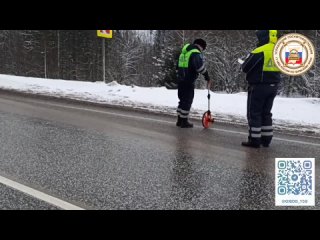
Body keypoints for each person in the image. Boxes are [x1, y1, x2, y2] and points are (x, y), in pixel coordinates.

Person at [241, 30, 281, 148]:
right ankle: (266, 139)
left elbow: (246, 67)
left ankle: (254, 140)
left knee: (254, 113)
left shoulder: (260, 51)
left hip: (259, 86)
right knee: (266, 113)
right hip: (273, 86)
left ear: (264, 37)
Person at [176, 38, 211, 128]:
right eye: (203, 48)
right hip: (188, 80)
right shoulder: (195, 52)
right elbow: (199, 67)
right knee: (187, 101)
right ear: (201, 46)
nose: (202, 50)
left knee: (182, 100)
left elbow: (177, 66)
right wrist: (206, 75)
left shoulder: (184, 52)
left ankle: (179, 120)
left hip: (181, 79)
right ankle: (184, 121)